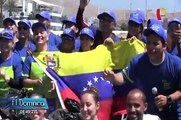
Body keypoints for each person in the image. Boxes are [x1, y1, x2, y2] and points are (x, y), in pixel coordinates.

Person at [103, 24, 181, 120]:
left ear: (164, 46)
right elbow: (123, 77)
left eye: (155, 43)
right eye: (148, 43)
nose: (151, 47)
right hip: (147, 115)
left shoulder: (176, 64)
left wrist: (168, 98)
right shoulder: (138, 61)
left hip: (171, 115)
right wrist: (113, 77)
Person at [23, 22, 59, 112]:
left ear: (47, 35)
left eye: (41, 32)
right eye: (36, 33)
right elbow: (23, 80)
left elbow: (62, 75)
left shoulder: (56, 54)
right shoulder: (30, 58)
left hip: (54, 100)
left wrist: (56, 83)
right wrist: (34, 82)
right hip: (36, 102)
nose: (39, 35)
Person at [0, 29, 23, 98]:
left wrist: (6, 77)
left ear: (12, 44)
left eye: (6, 41)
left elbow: (19, 85)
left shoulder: (17, 60)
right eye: (1, 41)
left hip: (11, 100)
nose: (3, 43)